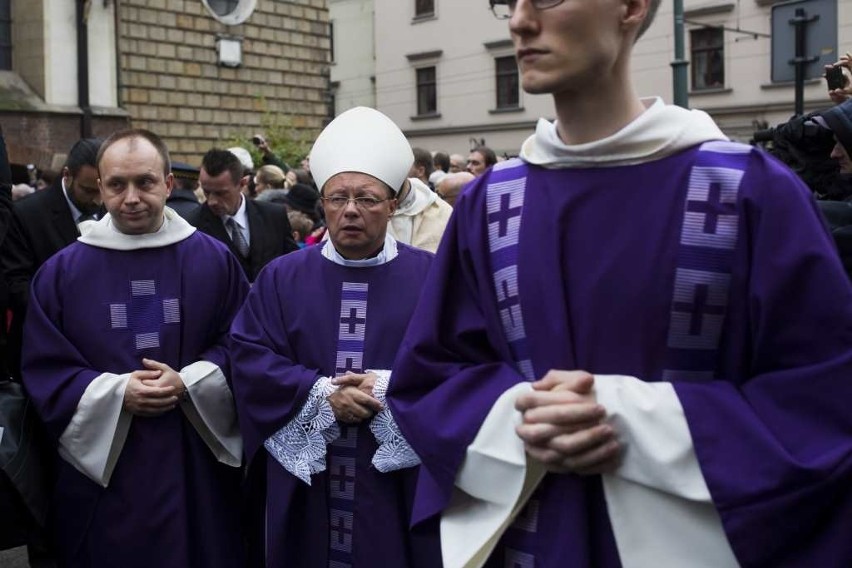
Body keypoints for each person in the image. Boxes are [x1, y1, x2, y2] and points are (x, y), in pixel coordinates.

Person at [387, 0, 852, 566]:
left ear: (632, 7)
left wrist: (639, 422)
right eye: (509, 2)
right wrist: (523, 415)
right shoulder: (490, 204)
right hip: (533, 536)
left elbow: (825, 399)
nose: (519, 21)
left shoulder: (750, 193)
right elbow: (432, 376)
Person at [21, 129, 249, 567]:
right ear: (100, 188)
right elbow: (44, 368)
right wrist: (116, 392)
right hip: (106, 471)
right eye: (115, 185)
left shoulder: (213, 261)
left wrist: (189, 381)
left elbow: (244, 345)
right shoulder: (61, 273)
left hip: (194, 456)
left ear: (168, 183)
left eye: (144, 182)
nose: (130, 198)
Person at [230, 106, 439, 568]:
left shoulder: (431, 278)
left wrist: (389, 389)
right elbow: (248, 357)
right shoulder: (281, 277)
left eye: (366, 198)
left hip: (398, 480)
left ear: (392, 204)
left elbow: (456, 364)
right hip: (309, 482)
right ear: (321, 204)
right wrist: (320, 395)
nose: (350, 211)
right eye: (337, 198)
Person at [1, 137, 104, 381]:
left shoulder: (114, 210)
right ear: (67, 175)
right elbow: (16, 284)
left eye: (103, 189)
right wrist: (70, 316)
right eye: (88, 190)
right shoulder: (26, 214)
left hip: (102, 355)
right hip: (44, 352)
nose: (98, 200)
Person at [188, 148, 298, 282]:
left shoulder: (274, 216)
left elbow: (294, 266)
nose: (212, 201)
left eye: (221, 193)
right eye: (206, 192)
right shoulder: (192, 227)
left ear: (242, 184)